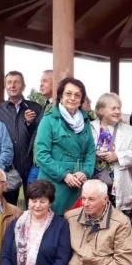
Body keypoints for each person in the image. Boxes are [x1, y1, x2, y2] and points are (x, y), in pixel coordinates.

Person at [34, 77, 96, 215]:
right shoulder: (48, 120)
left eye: (77, 95)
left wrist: (85, 172)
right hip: (54, 185)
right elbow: (42, 155)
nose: (72, 98)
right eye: (68, 94)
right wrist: (64, 175)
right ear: (61, 96)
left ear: (81, 99)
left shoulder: (85, 121)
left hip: (78, 184)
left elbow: (90, 152)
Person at [0, 71, 43, 204]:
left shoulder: (36, 108)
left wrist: (29, 123)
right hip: (8, 165)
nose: (12, 85)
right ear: (5, 86)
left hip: (30, 164)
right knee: (6, 206)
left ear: (23, 86)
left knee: (35, 203)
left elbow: (40, 135)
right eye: (9, 82)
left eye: (17, 82)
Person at [90, 92, 132, 214]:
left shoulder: (129, 130)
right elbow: (80, 151)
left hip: (118, 186)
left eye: (119, 108)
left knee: (119, 223)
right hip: (93, 184)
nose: (118, 111)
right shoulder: (89, 128)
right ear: (101, 110)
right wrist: (93, 153)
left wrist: (117, 156)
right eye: (113, 108)